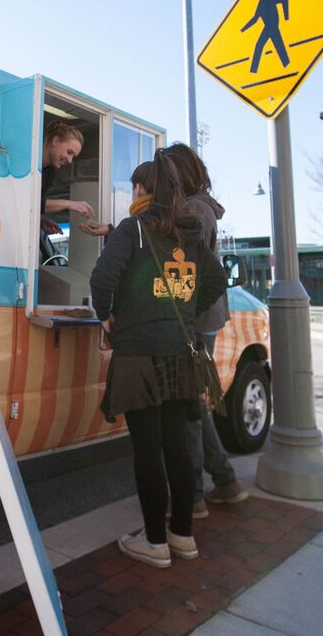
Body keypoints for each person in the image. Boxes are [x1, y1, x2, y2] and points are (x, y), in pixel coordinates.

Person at [90, 154, 227, 569]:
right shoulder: (190, 233)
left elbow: (101, 278)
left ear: (143, 191)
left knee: (148, 451)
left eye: (136, 186)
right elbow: (218, 281)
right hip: (180, 356)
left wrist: (107, 314)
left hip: (139, 357)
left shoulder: (133, 230)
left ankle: (154, 542)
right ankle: (182, 536)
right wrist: (183, 311)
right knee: (180, 448)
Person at [161, 143, 249, 517]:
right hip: (203, 318)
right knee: (193, 401)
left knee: (189, 407)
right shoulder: (200, 207)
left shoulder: (193, 210)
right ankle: (224, 481)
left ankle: (194, 495)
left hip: (193, 320)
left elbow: (176, 257)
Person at [40, 122, 109, 237]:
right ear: (55, 141)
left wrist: (40, 222)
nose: (70, 160)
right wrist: (69, 204)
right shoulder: (25, 160)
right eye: (69, 152)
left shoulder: (49, 173)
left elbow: (36, 205)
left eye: (73, 156)